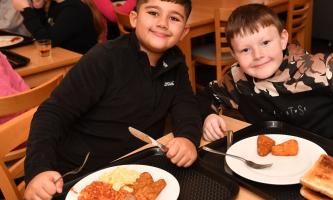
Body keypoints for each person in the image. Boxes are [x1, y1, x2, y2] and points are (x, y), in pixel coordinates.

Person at [24, 0, 201, 199]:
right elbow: (52, 113)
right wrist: (38, 170)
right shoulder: (104, 59)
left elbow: (186, 106)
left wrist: (187, 138)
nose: (162, 23)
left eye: (174, 18)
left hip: (136, 172)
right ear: (134, 19)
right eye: (153, 12)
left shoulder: (175, 62)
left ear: (184, 31)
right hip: (80, 177)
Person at [199, 4, 333, 169]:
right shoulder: (236, 77)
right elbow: (203, 97)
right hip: (276, 166)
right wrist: (208, 115)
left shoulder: (321, 70)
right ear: (234, 54)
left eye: (266, 42)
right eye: (245, 49)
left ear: (283, 38)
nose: (258, 55)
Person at [12, 0, 106, 54]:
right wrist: (38, 9)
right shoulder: (56, 4)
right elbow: (45, 31)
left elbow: (47, 41)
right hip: (63, 59)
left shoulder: (73, 9)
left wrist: (26, 11)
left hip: (78, 67)